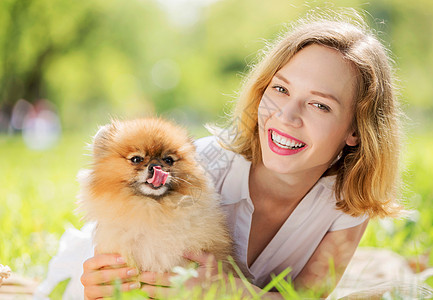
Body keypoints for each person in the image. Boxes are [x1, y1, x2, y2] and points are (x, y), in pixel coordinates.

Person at [40, 9, 403, 300]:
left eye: (320, 105)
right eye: (280, 89)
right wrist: (95, 285)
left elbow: (307, 297)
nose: (287, 116)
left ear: (357, 130)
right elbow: (116, 248)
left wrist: (231, 292)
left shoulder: (347, 203)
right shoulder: (200, 170)